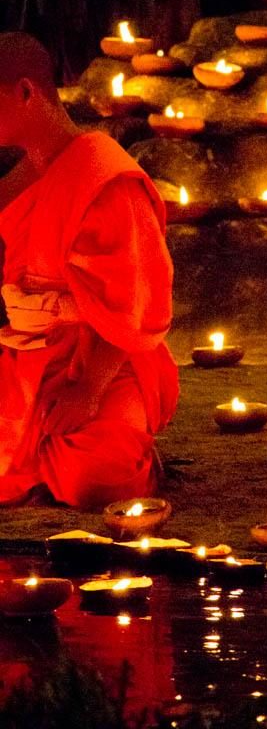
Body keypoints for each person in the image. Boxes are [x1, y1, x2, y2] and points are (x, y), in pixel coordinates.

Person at [0, 32, 178, 508]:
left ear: (24, 92)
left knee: (95, 481)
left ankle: (123, 445)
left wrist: (88, 390)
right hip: (30, 358)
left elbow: (137, 303)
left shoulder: (104, 176)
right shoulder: (24, 175)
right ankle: (39, 457)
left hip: (105, 361)